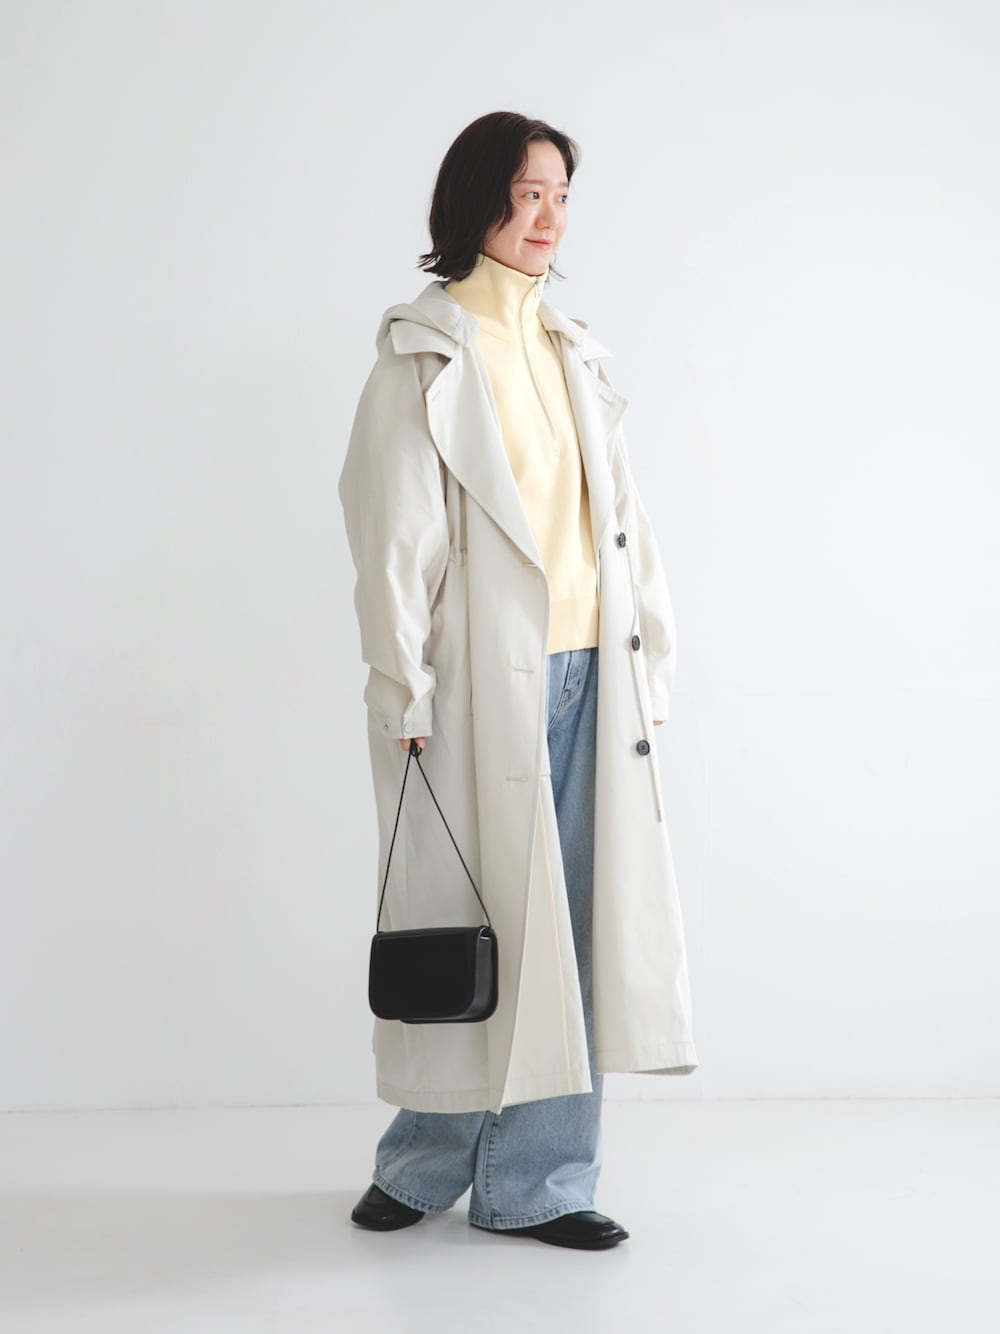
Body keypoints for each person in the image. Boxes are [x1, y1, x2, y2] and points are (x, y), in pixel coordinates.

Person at [338, 111, 698, 1252]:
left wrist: (652, 657)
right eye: (529, 193)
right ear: (477, 200)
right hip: (474, 687)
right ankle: (423, 1161)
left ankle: (541, 1181)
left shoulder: (571, 349)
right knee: (472, 925)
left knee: (573, 931)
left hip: (592, 674)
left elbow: (623, 522)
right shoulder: (425, 351)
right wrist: (402, 687)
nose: (549, 218)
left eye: (561, 197)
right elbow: (391, 539)